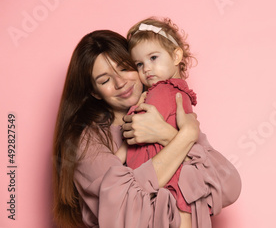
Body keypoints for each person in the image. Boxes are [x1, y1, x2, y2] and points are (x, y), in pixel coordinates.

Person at [52, 30, 241, 228]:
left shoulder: (165, 114)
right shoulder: (86, 138)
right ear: (94, 92)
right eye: (105, 80)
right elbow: (126, 205)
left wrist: (166, 135)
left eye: (125, 68)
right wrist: (185, 137)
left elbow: (228, 187)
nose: (120, 83)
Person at [110, 17, 223, 228]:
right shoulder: (172, 91)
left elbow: (138, 125)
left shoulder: (165, 90)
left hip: (166, 177)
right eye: (140, 64)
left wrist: (136, 108)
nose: (147, 69)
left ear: (176, 55)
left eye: (153, 57)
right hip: (163, 177)